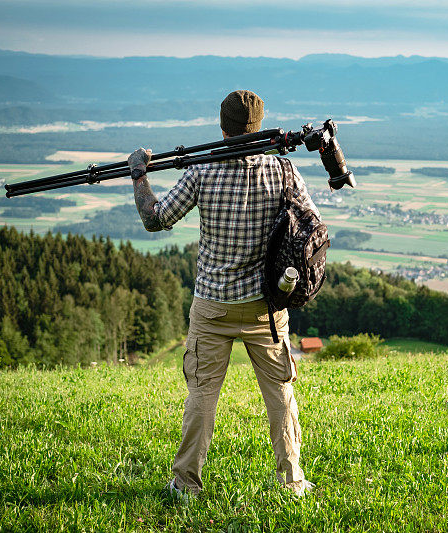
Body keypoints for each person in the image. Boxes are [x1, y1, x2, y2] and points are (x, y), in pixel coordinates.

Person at [128, 89, 318, 499]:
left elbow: (155, 219)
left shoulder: (202, 171)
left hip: (212, 306)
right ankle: (293, 483)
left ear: (222, 126)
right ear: (260, 124)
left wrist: (139, 174)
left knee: (201, 395)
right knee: (281, 394)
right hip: (265, 308)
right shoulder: (283, 172)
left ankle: (186, 485)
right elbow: (311, 228)